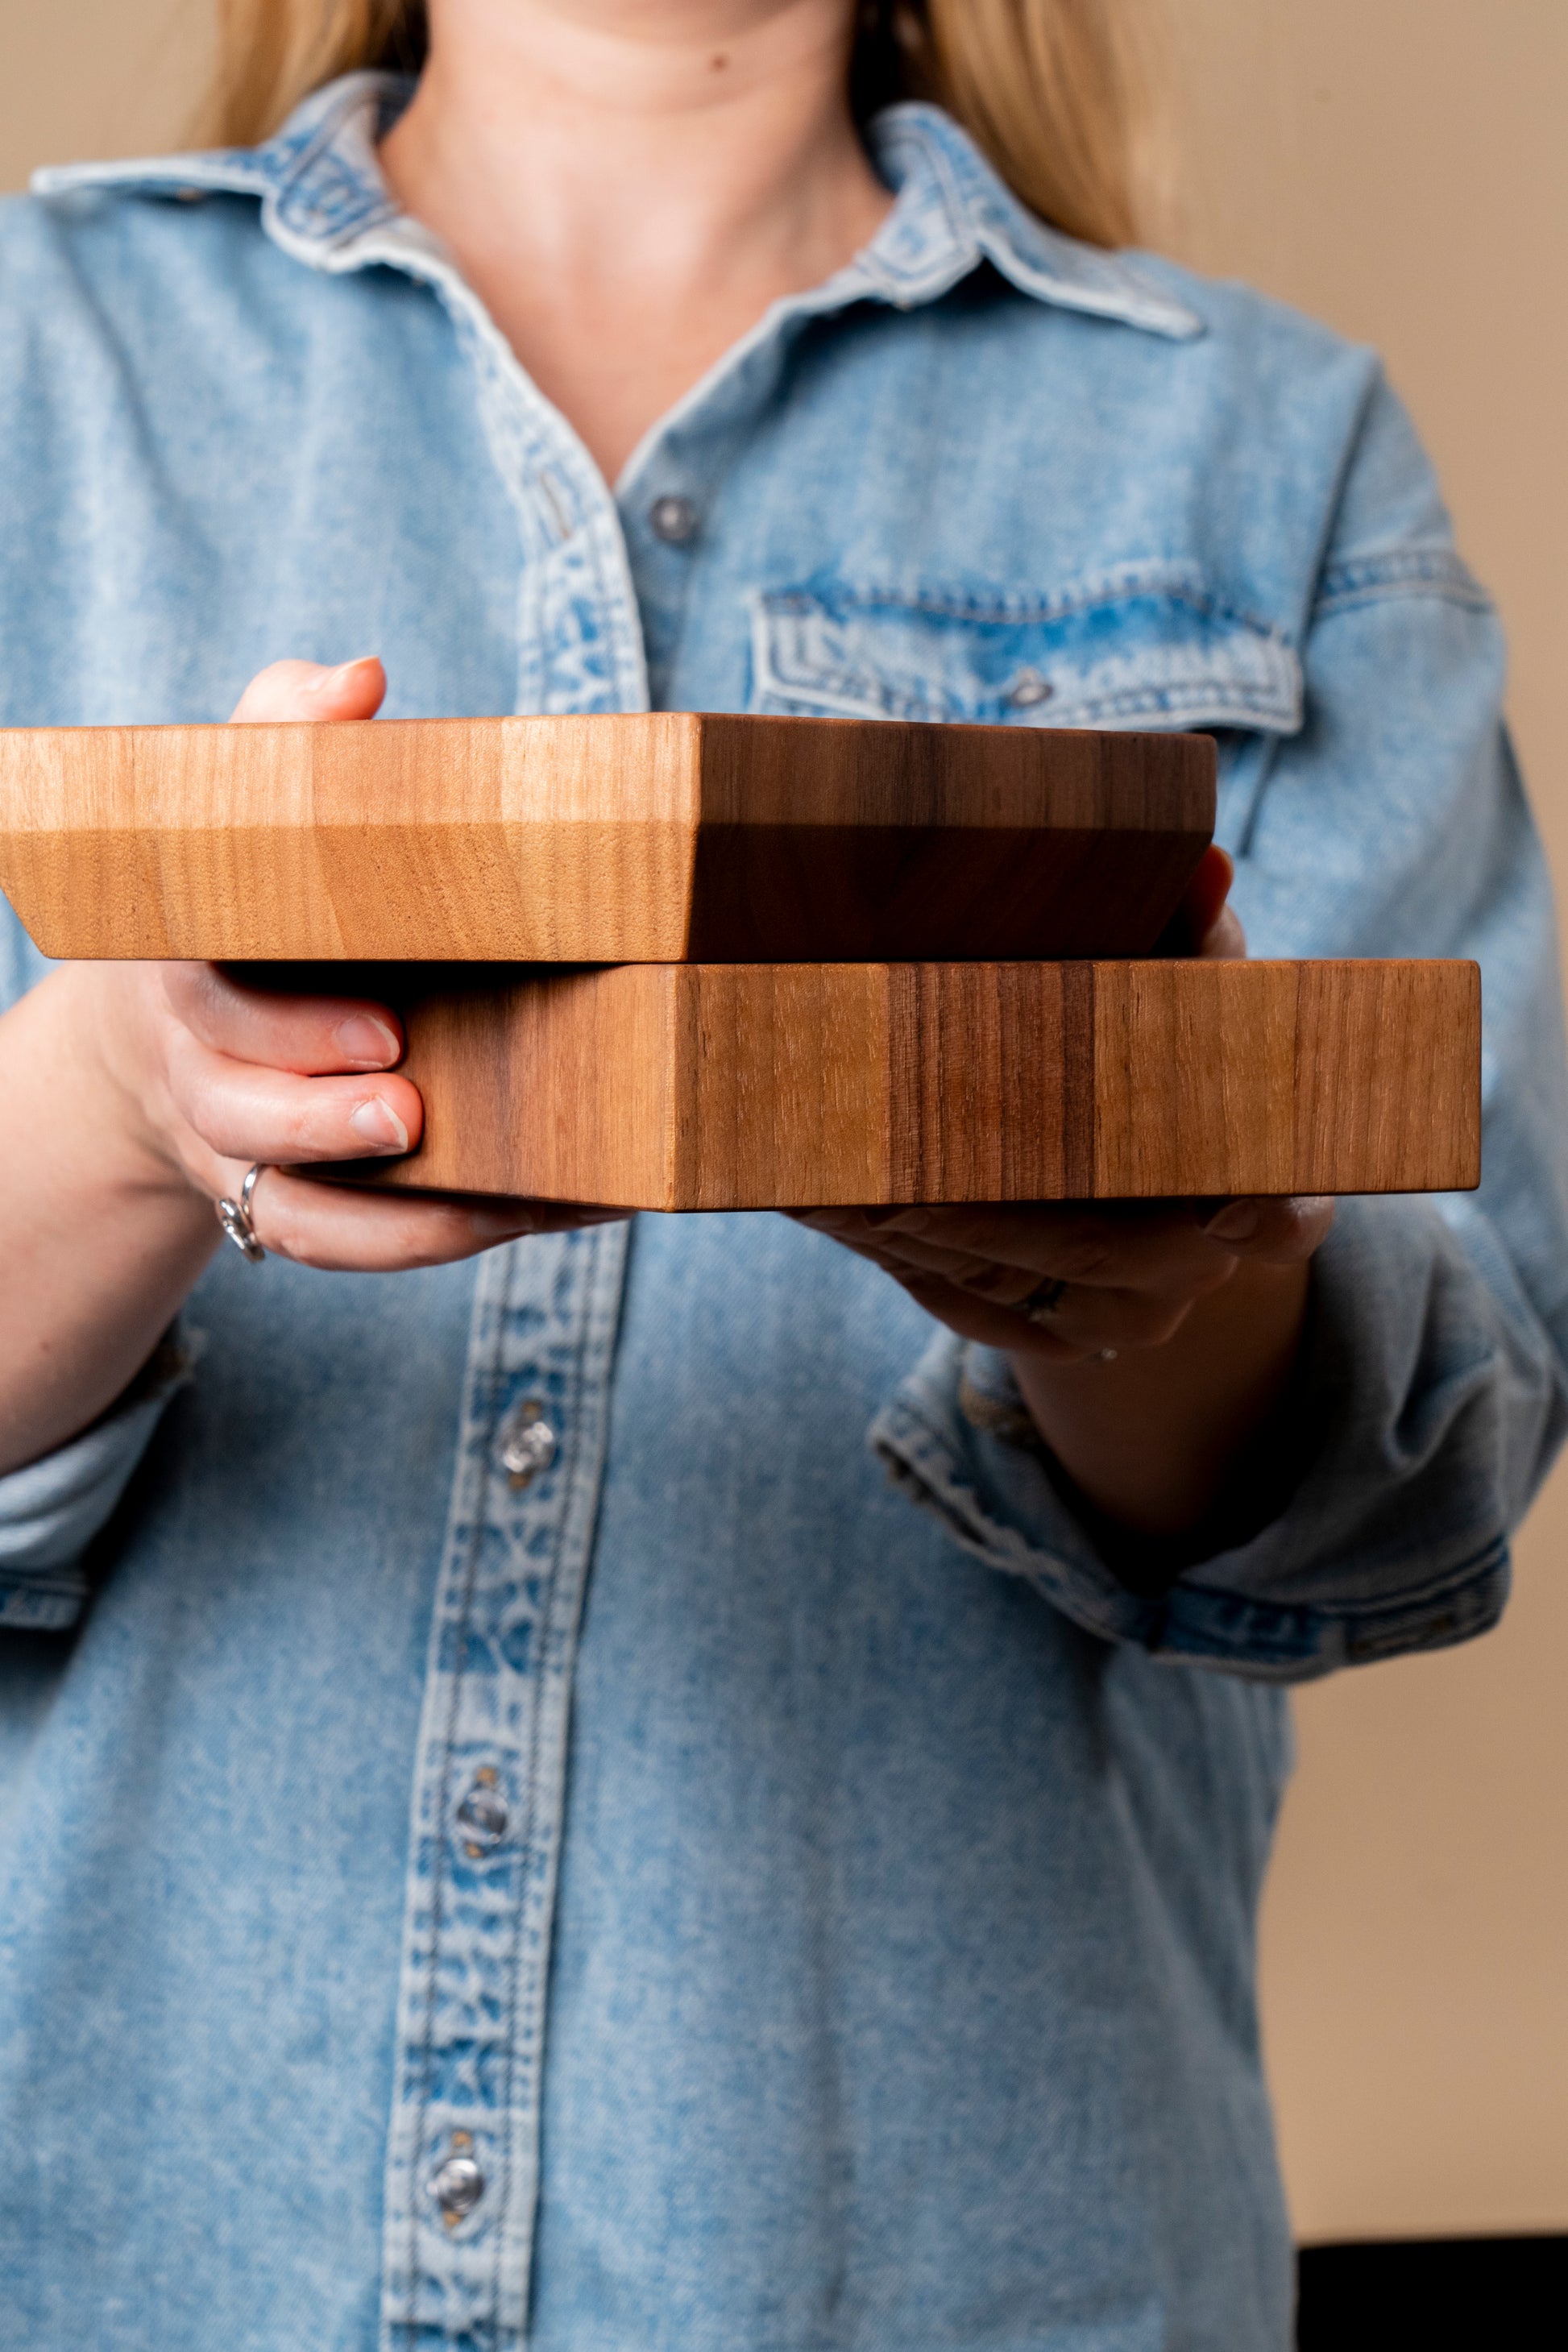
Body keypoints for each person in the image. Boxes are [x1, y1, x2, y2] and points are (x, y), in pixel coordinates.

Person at [0, 2, 1562, 2344]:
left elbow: (1429, 1469)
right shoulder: (38, 358)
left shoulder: (1266, 446)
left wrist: (1162, 1273)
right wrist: (127, 1097)